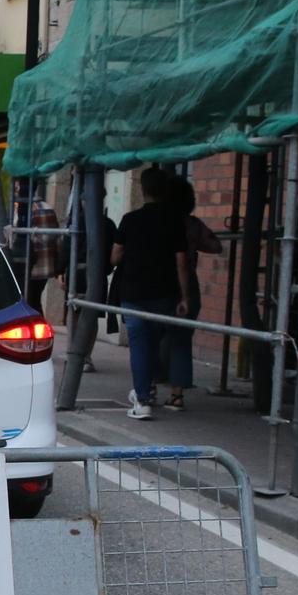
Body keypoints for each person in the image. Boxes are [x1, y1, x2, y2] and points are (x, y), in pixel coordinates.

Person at [110, 167, 192, 420]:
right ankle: (149, 389)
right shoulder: (175, 221)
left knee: (139, 345)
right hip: (164, 292)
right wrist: (184, 296)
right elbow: (181, 262)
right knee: (154, 342)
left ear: (142, 190)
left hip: (133, 292)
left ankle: (143, 398)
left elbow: (115, 255)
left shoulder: (130, 219)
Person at [158, 175, 224, 410]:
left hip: (161, 281)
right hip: (189, 283)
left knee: (153, 333)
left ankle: (151, 385)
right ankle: (178, 393)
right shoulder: (192, 224)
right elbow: (216, 246)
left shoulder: (159, 222)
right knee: (182, 339)